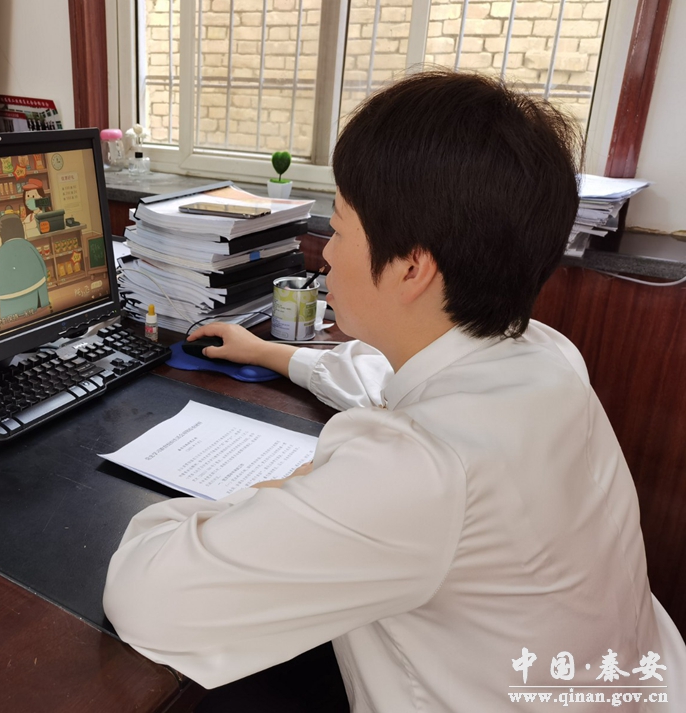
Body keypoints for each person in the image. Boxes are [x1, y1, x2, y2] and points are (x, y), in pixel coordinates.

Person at [103, 71, 686, 711]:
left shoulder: (420, 471)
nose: (325, 255)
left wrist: (279, 490)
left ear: (412, 267)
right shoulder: (543, 354)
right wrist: (273, 353)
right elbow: (388, 380)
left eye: (339, 229)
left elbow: (146, 596)